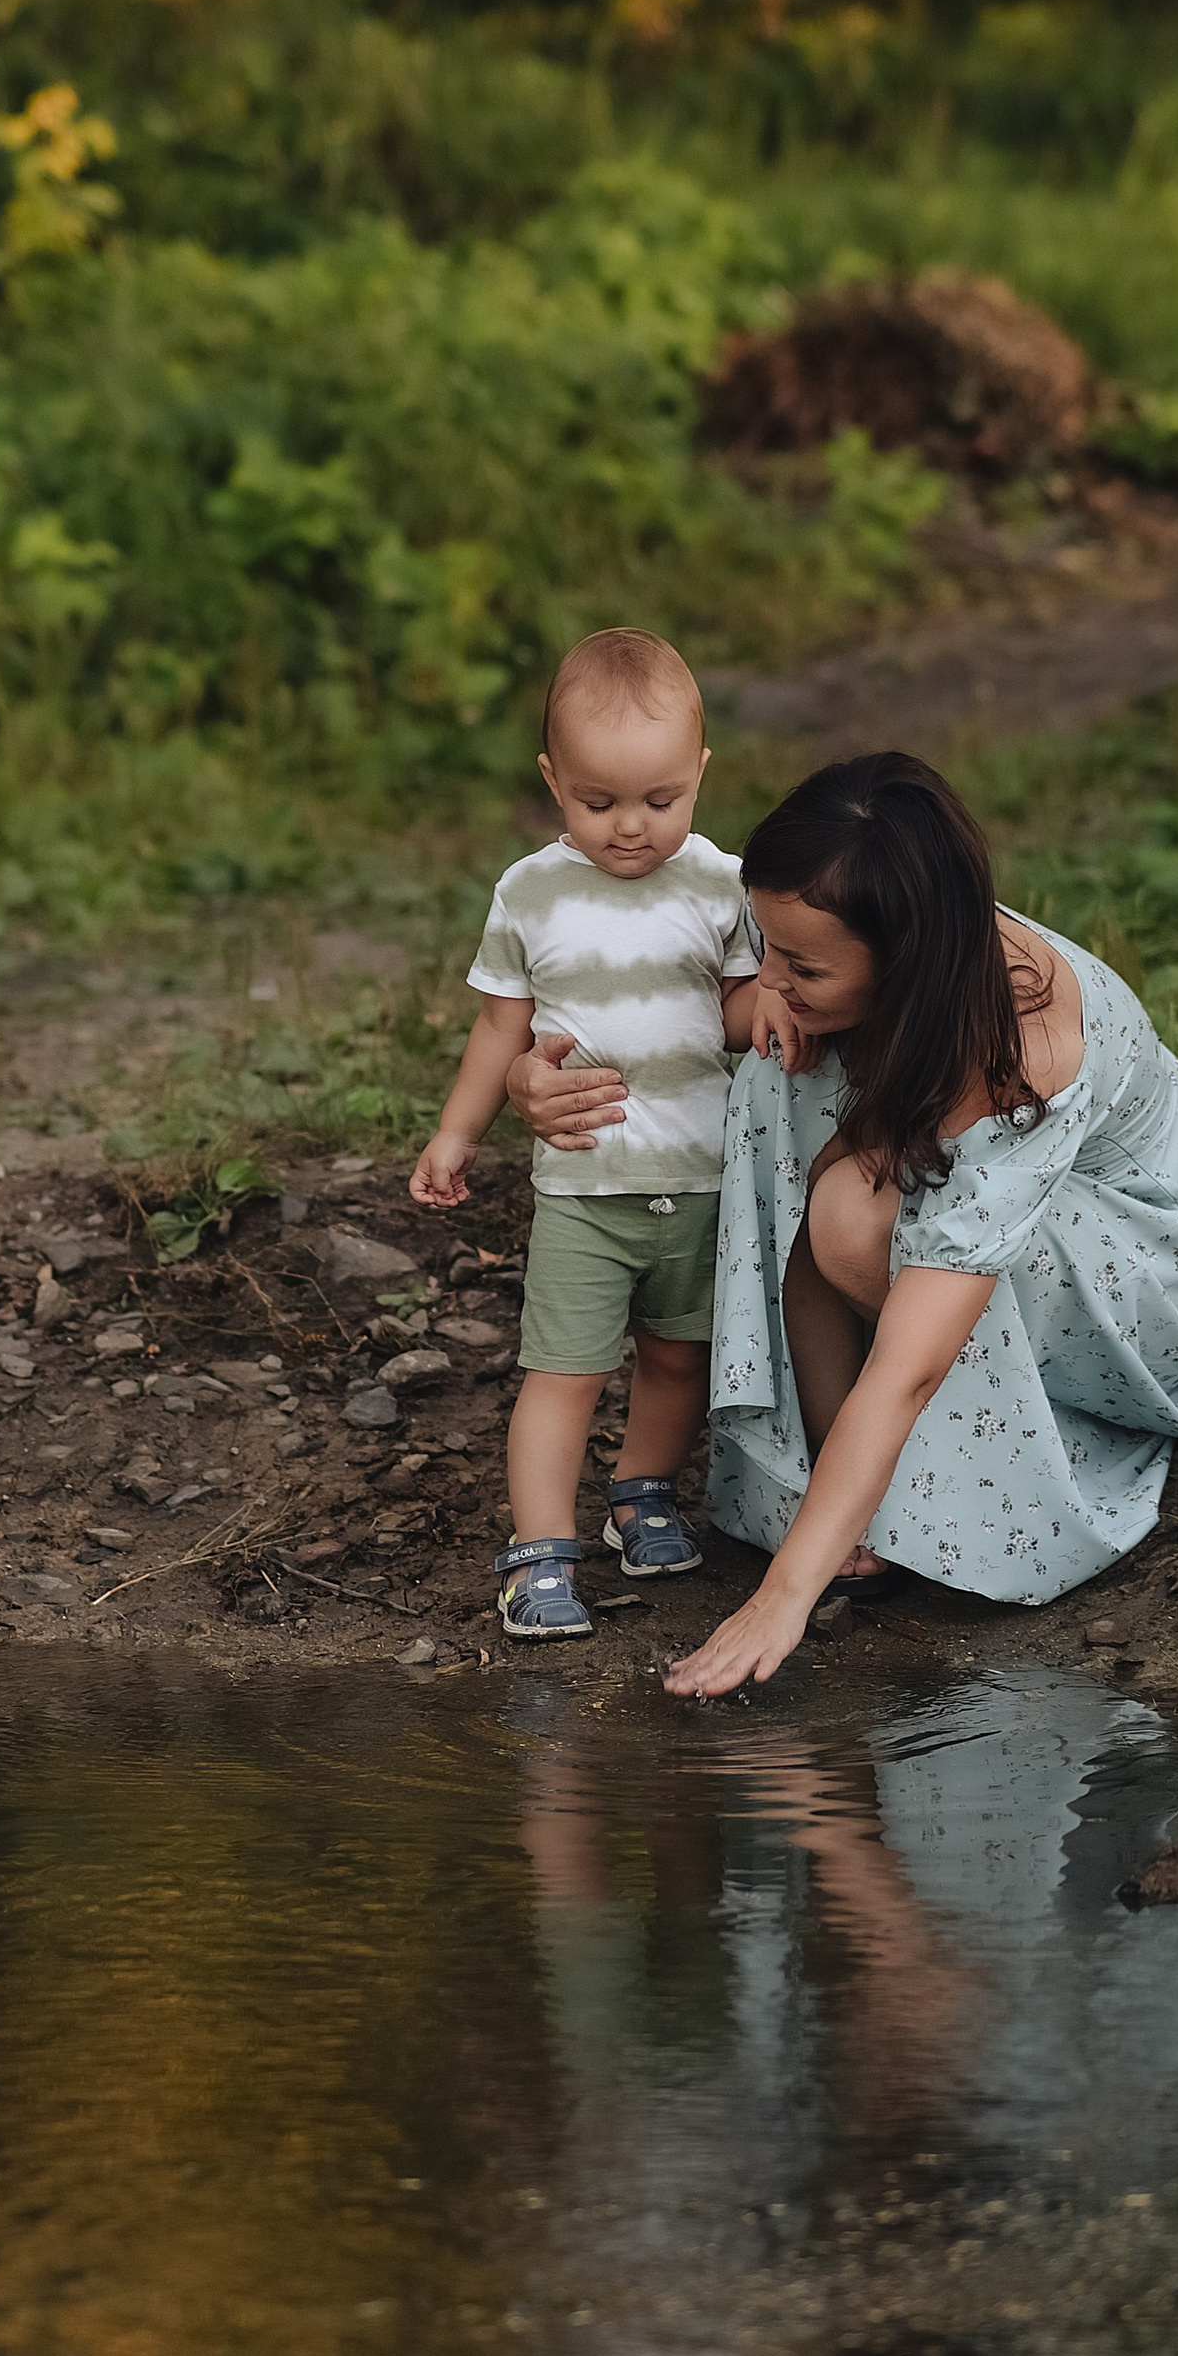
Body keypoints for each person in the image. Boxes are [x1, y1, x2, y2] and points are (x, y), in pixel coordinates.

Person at [507, 751, 1178, 1697]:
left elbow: (910, 1371)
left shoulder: (1020, 1054)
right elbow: (690, 1005)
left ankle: (965, 1477)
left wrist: (783, 1597)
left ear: (903, 959)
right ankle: (849, 1489)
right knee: (777, 1077)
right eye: (765, 946)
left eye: (801, 967)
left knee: (852, 1222)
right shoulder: (874, 942)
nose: (766, 982)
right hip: (954, 1175)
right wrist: (532, 1075)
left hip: (1131, 1254)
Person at [411, 627, 762, 1639]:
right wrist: (455, 1133)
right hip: (582, 1186)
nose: (628, 828)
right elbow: (499, 1027)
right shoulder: (532, 890)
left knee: (677, 1357)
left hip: (694, 1179)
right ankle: (538, 1552)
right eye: (595, 801)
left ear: (699, 773)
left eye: (660, 800)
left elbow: (732, 1014)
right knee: (563, 1369)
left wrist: (774, 1014)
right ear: (551, 779)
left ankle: (641, 1492)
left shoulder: (718, 884)